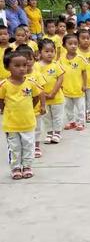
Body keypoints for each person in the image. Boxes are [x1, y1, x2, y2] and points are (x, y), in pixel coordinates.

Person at [0, 48, 44, 179]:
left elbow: (37, 96)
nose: (22, 69)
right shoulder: (4, 85)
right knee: (14, 147)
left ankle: (27, 166)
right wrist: (4, 109)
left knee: (28, 146)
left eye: (24, 65)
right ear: (8, 67)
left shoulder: (30, 83)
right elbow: (1, 100)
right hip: (12, 124)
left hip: (28, 122)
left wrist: (31, 107)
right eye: (17, 66)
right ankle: (16, 167)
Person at [37, 38, 64, 144]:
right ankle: (49, 132)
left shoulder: (56, 64)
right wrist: (43, 94)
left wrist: (53, 93)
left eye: (52, 51)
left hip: (56, 97)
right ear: (40, 52)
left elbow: (60, 79)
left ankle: (57, 132)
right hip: (43, 97)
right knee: (46, 116)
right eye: (46, 51)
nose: (50, 54)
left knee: (57, 116)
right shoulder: (37, 66)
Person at [60, 34, 87, 131]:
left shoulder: (80, 58)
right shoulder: (61, 58)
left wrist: (84, 84)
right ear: (64, 45)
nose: (73, 46)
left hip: (78, 88)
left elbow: (84, 72)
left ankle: (80, 122)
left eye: (75, 44)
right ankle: (71, 121)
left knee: (80, 107)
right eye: (70, 44)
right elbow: (60, 73)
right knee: (68, 107)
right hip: (66, 88)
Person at [76, 29, 90, 121]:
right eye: (83, 38)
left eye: (88, 38)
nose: (86, 40)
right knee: (80, 98)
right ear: (78, 39)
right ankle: (82, 113)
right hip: (79, 80)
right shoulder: (76, 51)